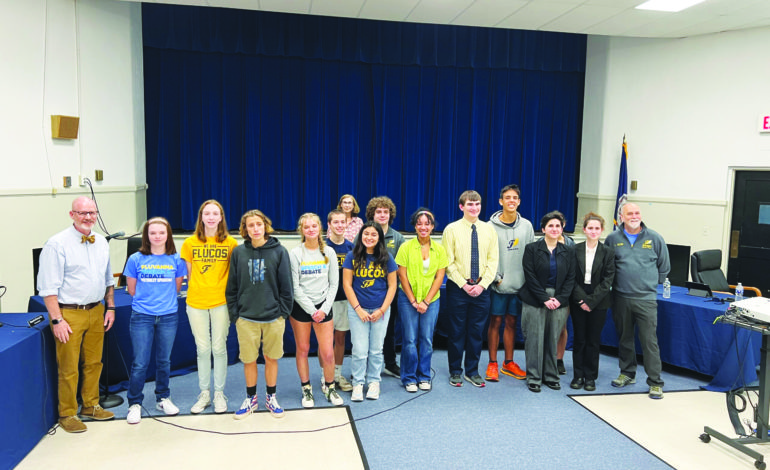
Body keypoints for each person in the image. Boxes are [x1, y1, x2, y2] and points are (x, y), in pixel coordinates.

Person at [37, 196, 116, 433]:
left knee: (94, 363)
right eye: (83, 213)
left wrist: (110, 306)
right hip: (69, 314)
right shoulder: (56, 244)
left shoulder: (101, 241)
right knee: (69, 367)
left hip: (96, 310)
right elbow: (48, 288)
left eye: (92, 212)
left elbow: (108, 279)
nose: (88, 217)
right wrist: (57, 319)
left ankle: (90, 405)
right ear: (72, 215)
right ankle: (67, 413)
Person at [226, 209, 293, 418]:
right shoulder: (238, 252)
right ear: (244, 229)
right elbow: (232, 287)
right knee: (249, 360)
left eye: (258, 224)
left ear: (265, 226)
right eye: (250, 225)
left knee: (271, 358)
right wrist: (235, 315)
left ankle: (271, 397)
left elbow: (286, 287)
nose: (255, 229)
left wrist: (283, 313)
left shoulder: (279, 251)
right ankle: (251, 398)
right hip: (246, 318)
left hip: (274, 317)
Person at [123, 217, 187, 424]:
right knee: (140, 363)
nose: (157, 236)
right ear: (146, 236)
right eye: (153, 233)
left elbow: (177, 288)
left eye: (161, 233)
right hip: (142, 316)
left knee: (164, 361)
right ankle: (134, 403)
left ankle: (163, 398)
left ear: (168, 235)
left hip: (168, 316)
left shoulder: (177, 260)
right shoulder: (135, 259)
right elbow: (131, 290)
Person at [605, 203, 670, 399]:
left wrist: (648, 285)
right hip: (620, 297)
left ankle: (655, 382)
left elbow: (664, 267)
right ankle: (627, 373)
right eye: (630, 213)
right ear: (621, 217)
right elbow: (608, 265)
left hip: (646, 299)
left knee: (649, 341)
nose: (634, 216)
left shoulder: (655, 238)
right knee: (624, 338)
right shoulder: (612, 238)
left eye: (637, 213)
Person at [180, 200, 239, 414]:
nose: (211, 217)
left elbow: (234, 275)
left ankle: (219, 393)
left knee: (219, 348)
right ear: (201, 217)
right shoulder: (189, 243)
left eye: (216, 213)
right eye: (207, 213)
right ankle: (204, 393)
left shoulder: (231, 243)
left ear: (221, 217)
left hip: (221, 302)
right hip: (196, 302)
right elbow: (189, 273)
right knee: (203, 349)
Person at [442, 190, 499, 388]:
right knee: (457, 331)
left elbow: (493, 261)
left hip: (482, 289)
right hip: (458, 288)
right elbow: (448, 262)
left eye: (477, 204)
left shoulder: (489, 230)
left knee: (476, 332)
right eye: (469, 204)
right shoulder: (451, 229)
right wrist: (464, 284)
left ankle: (472, 371)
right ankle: (455, 371)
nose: (474, 208)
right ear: (461, 207)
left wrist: (482, 285)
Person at [289, 213, 344, 407]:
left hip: (324, 307)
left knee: (328, 352)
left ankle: (330, 388)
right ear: (301, 230)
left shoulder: (328, 252)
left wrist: (324, 308)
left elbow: (334, 283)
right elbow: (294, 287)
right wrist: (312, 310)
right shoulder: (295, 253)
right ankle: (306, 390)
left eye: (314, 226)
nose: (311, 230)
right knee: (303, 350)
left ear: (320, 228)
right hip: (302, 308)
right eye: (307, 227)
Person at [519, 211, 575, 393]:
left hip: (559, 300)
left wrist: (559, 299)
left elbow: (571, 279)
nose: (554, 229)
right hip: (535, 298)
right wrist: (544, 299)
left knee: (552, 338)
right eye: (550, 225)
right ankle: (534, 377)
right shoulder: (531, 249)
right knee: (534, 338)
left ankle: (551, 375)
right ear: (543, 229)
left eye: (558, 226)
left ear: (562, 229)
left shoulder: (569, 251)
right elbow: (530, 276)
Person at [342, 221, 398, 401]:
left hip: (380, 311)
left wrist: (382, 310)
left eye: (374, 235)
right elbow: (347, 285)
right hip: (358, 310)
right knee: (359, 349)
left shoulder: (387, 258)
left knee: (376, 349)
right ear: (361, 236)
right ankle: (358, 383)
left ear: (379, 238)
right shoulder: (352, 256)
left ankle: (374, 381)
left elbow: (392, 286)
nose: (369, 238)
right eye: (366, 234)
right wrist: (358, 309)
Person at [486, 184, 534, 382]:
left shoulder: (527, 226)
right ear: (501, 201)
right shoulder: (489, 227)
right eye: (507, 197)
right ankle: (492, 363)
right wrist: (495, 278)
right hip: (498, 284)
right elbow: (486, 256)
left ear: (519, 201)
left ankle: (508, 362)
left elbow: (531, 256)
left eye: (515, 197)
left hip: (519, 286)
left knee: (512, 323)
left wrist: (527, 281)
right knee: (496, 321)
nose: (511, 201)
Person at [395, 208, 447, 392]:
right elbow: (402, 275)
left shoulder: (439, 249)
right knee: (409, 339)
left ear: (432, 226)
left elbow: (439, 278)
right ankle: (409, 377)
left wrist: (425, 301)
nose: (423, 227)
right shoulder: (405, 247)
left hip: (431, 301)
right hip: (407, 299)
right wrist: (413, 301)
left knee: (426, 339)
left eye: (427, 223)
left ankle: (424, 376)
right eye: (419, 223)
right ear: (415, 226)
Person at [569, 213, 615, 392]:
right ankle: (577, 375)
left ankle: (590, 377)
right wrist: (581, 300)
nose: (594, 231)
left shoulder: (608, 253)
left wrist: (592, 301)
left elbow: (608, 280)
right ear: (584, 230)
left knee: (593, 340)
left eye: (597, 228)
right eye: (590, 228)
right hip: (578, 298)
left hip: (599, 301)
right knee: (579, 339)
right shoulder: (574, 250)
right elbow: (570, 277)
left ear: (602, 230)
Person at [365, 196, 405, 379]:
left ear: (391, 214)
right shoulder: (363, 234)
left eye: (385, 212)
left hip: (389, 292)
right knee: (365, 332)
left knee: (388, 330)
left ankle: (390, 364)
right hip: (366, 291)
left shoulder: (397, 238)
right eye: (378, 211)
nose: (382, 215)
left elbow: (401, 267)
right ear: (372, 214)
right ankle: (364, 366)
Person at [326, 209, 355, 391]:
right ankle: (325, 375)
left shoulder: (351, 248)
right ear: (329, 224)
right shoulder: (323, 247)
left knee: (340, 338)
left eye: (342, 222)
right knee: (325, 341)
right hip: (326, 301)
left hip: (345, 300)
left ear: (347, 224)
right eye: (335, 222)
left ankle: (337, 374)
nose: (339, 225)